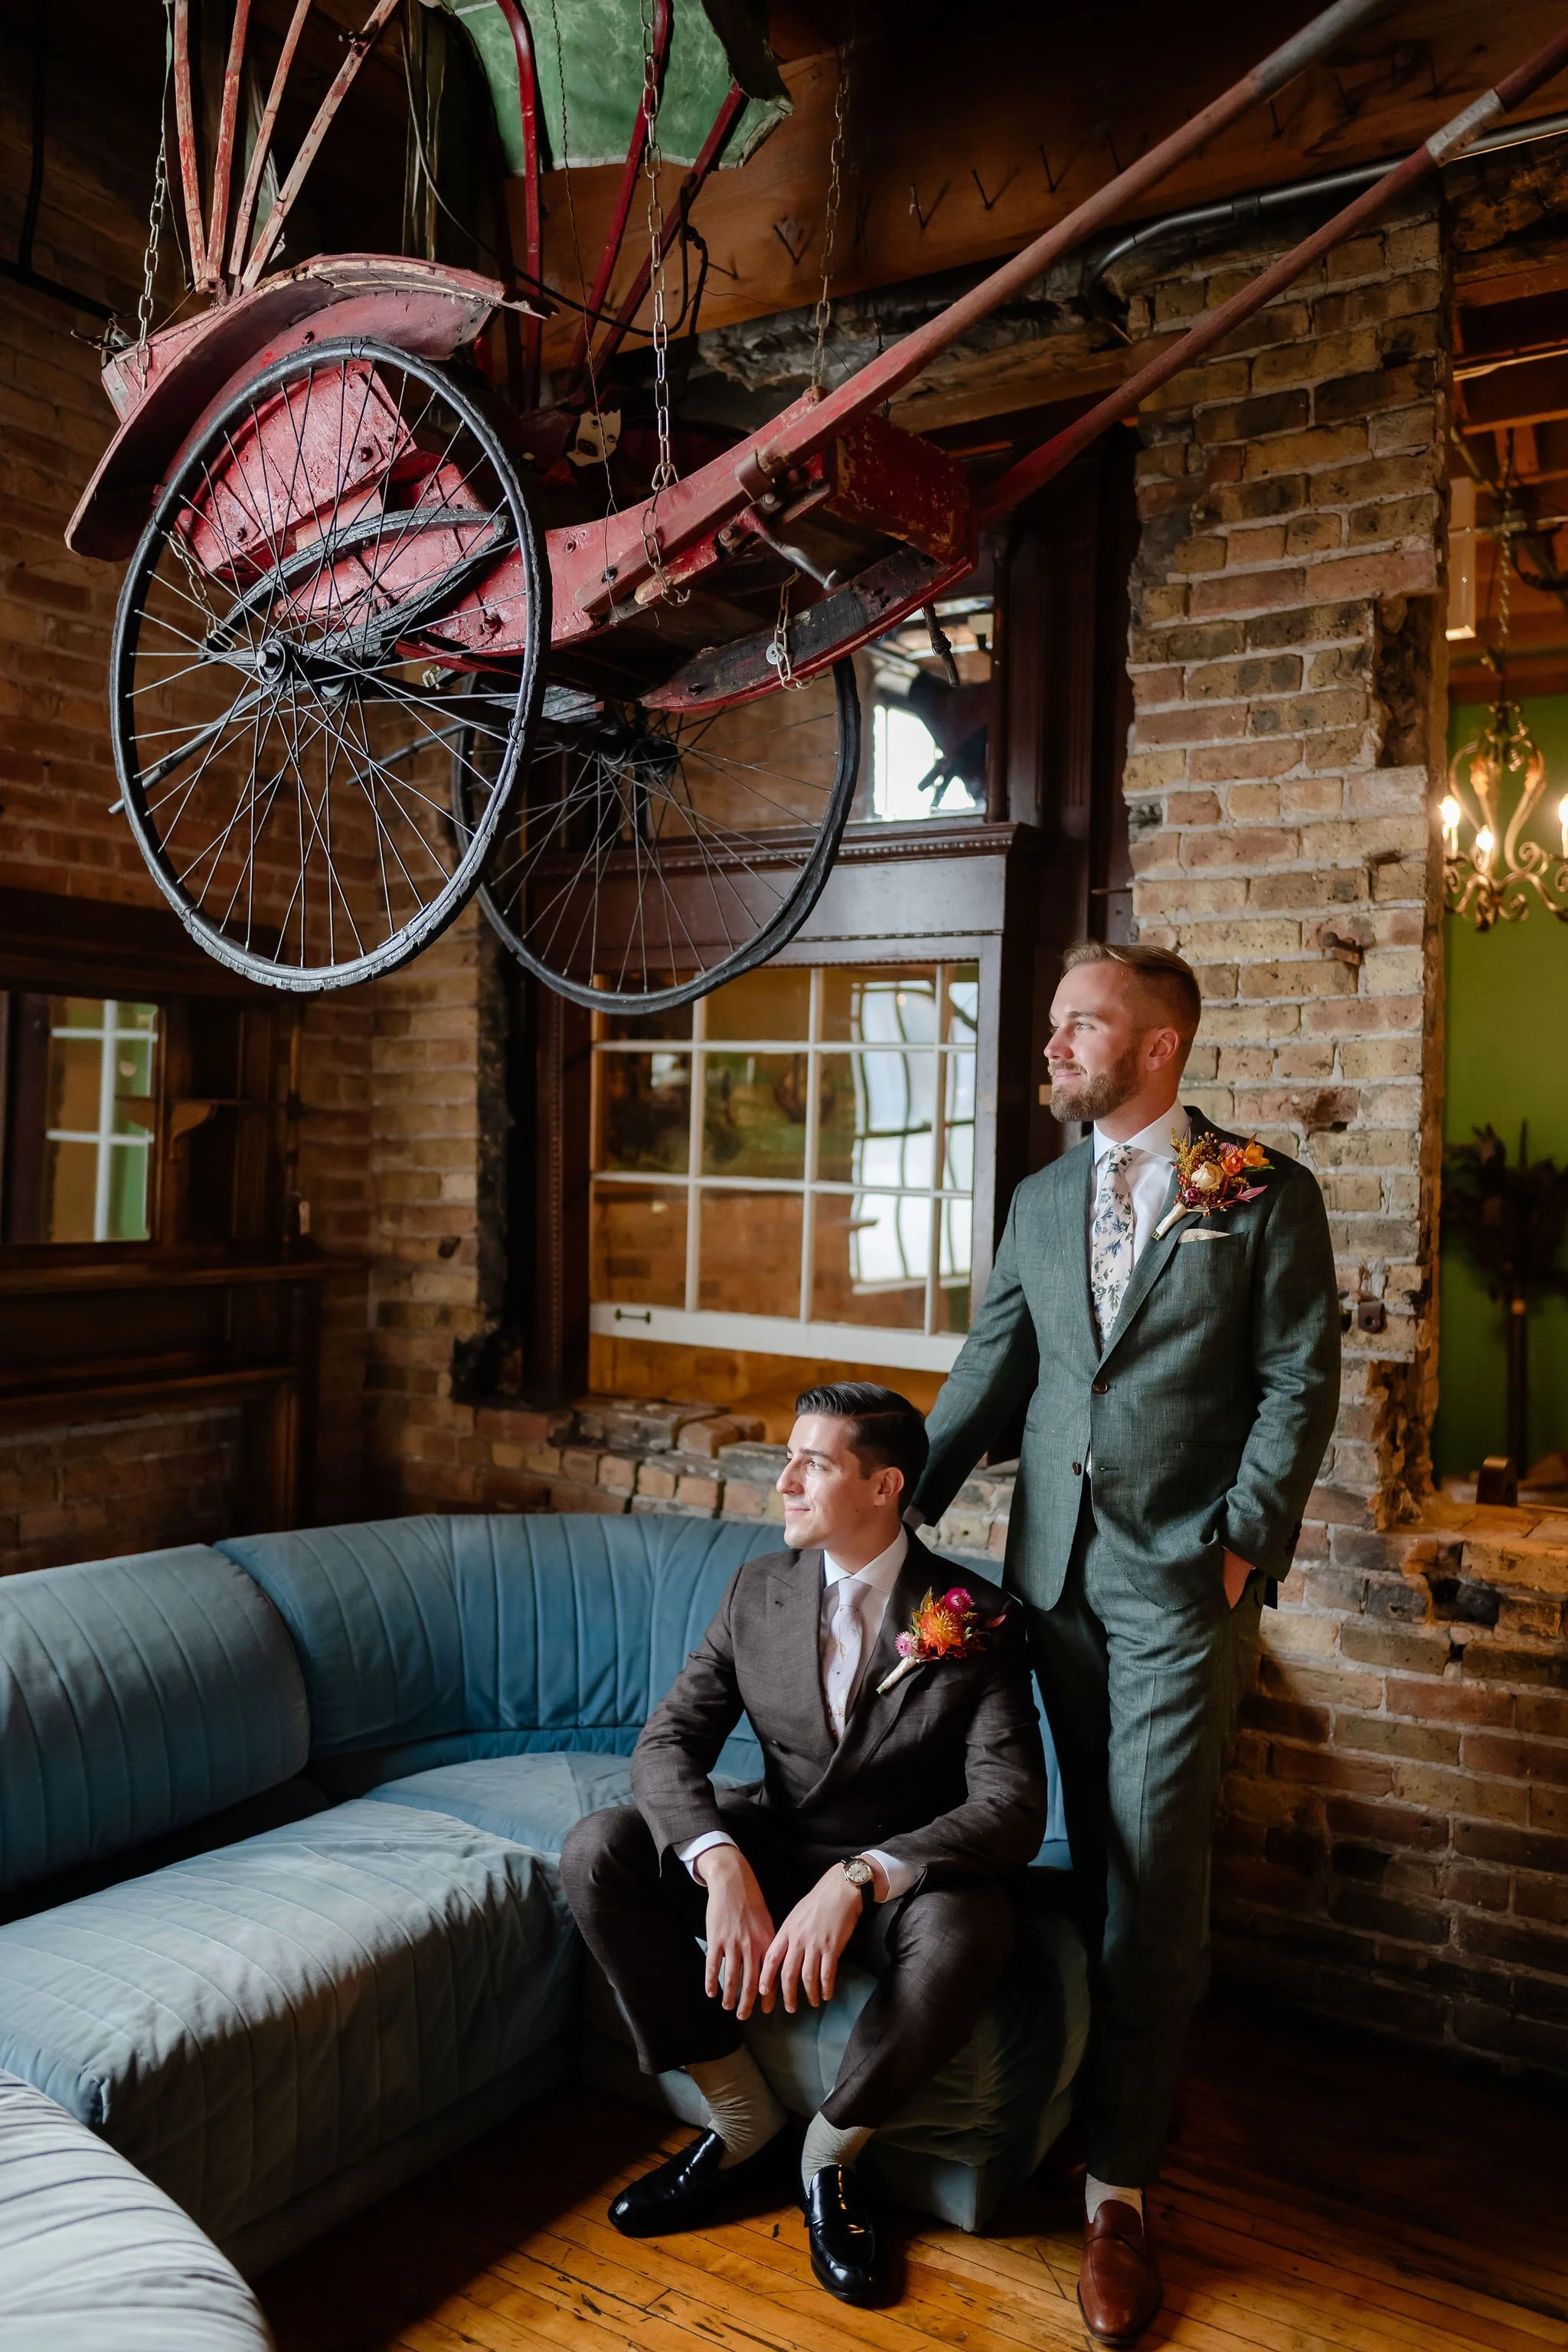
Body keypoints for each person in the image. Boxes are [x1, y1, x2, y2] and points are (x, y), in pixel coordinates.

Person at [910, 939, 1340, 2349]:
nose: (1050, 1047)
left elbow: (1295, 1378)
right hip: (1050, 1593)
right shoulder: (1040, 1199)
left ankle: (1118, 2192)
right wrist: (886, 1509)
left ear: (1156, 1047)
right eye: (1050, 1027)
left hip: (1179, 1592)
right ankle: (1116, 2089)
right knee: (1095, 1863)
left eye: (1075, 1027)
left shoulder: (1264, 1195)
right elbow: (991, 1373)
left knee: (1152, 1875)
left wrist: (1239, 1545)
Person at [560, 1382, 1048, 2309]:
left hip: (900, 1878)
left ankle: (828, 2159)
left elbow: (1012, 1803)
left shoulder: (971, 1616)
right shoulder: (758, 1590)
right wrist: (717, 1861)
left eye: (811, 1463)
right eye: (787, 1457)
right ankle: (738, 2120)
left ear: (882, 1485)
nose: (782, 1480)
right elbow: (667, 1745)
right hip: (775, 1841)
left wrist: (861, 1880)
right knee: (598, 1850)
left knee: (970, 1932)